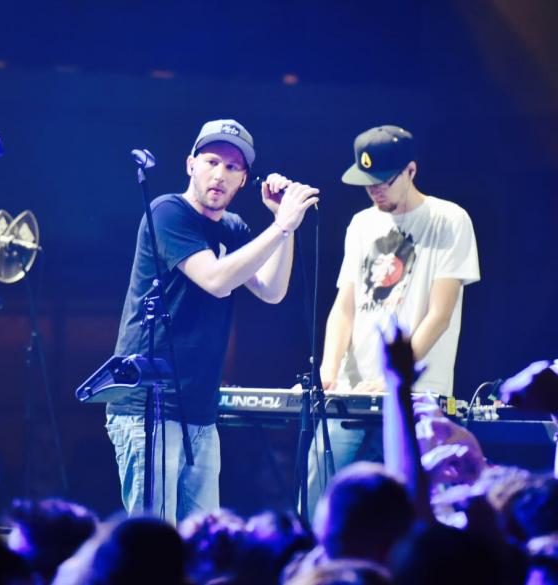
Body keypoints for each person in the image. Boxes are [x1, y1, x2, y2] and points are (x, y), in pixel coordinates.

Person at [106, 119, 319, 524]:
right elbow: (216, 280)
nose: (220, 174)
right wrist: (281, 226)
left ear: (243, 180)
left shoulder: (234, 228)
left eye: (232, 167)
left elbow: (272, 290)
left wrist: (284, 228)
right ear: (190, 164)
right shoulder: (168, 212)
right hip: (150, 407)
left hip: (200, 410)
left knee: (202, 541)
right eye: (211, 162)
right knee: (155, 540)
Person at [307, 125, 481, 513]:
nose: (374, 191)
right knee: (321, 494)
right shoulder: (361, 224)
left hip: (417, 392)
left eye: (382, 182)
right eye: (367, 183)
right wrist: (329, 369)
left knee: (415, 503)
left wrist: (394, 378)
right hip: (352, 391)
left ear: (411, 171)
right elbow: (344, 307)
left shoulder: (449, 219)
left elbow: (439, 314)